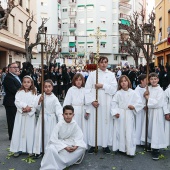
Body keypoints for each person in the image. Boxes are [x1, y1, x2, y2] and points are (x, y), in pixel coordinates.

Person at [85, 56, 117, 154]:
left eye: (105, 62)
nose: (104, 64)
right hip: (96, 103)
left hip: (106, 102)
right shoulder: (93, 75)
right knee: (94, 123)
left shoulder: (111, 75)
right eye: (102, 62)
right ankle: (93, 144)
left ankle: (105, 145)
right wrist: (92, 101)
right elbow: (87, 89)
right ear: (98, 63)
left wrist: (102, 86)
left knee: (106, 123)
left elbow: (114, 89)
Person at [40, 105, 87, 170]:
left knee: (82, 147)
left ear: (73, 115)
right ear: (63, 115)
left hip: (70, 141)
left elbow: (79, 136)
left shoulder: (74, 124)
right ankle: (55, 164)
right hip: (60, 142)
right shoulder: (59, 124)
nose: (68, 116)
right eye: (66, 114)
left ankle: (69, 161)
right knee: (51, 149)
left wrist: (76, 146)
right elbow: (53, 138)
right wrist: (64, 147)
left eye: (70, 114)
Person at [111, 75, 143, 156]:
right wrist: (115, 112)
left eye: (125, 81)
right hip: (120, 114)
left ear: (128, 82)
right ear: (120, 84)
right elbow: (113, 103)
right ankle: (120, 148)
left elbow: (139, 102)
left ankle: (129, 149)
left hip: (129, 113)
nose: (123, 83)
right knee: (120, 131)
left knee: (129, 131)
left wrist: (134, 107)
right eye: (121, 81)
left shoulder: (133, 93)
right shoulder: (118, 93)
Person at [10, 76, 39, 157]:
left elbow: (35, 102)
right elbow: (17, 101)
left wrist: (30, 108)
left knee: (29, 132)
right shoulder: (19, 92)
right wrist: (25, 107)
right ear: (22, 83)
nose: (26, 84)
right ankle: (18, 149)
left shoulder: (34, 92)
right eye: (24, 82)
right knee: (19, 131)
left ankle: (30, 149)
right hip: (21, 115)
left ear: (31, 83)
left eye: (28, 82)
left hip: (29, 115)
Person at [33, 79, 63, 158]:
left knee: (49, 134)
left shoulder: (54, 98)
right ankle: (39, 150)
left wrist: (60, 119)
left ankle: (48, 151)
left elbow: (58, 110)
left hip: (51, 119)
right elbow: (36, 107)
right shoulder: (41, 96)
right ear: (43, 88)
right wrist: (39, 101)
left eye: (49, 86)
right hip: (42, 118)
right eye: (45, 87)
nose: (47, 88)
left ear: (52, 87)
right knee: (41, 133)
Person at [141, 72, 167, 160]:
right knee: (150, 128)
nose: (153, 80)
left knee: (156, 130)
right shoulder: (149, 88)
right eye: (151, 79)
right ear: (149, 80)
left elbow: (157, 103)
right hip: (150, 112)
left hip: (157, 112)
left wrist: (148, 98)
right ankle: (150, 143)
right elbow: (145, 99)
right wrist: (145, 97)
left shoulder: (160, 90)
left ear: (158, 79)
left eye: (155, 79)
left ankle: (156, 149)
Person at [63, 73, 89, 142]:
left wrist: (87, 111)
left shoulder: (84, 90)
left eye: (80, 80)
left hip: (82, 110)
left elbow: (87, 102)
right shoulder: (71, 90)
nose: (78, 81)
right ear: (74, 81)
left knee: (82, 128)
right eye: (77, 80)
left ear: (83, 81)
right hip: (73, 111)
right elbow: (67, 102)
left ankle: (82, 143)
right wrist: (67, 113)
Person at [3, 63, 22, 140]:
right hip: (11, 102)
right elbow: (14, 90)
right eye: (14, 67)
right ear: (9, 68)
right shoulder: (8, 78)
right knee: (11, 120)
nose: (16, 68)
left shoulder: (16, 76)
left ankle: (16, 135)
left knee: (16, 119)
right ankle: (12, 136)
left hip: (16, 102)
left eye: (17, 67)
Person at [134, 74, 147, 145]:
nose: (148, 81)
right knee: (140, 125)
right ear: (142, 81)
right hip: (141, 111)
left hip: (148, 109)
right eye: (146, 80)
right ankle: (139, 140)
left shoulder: (148, 88)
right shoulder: (137, 90)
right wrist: (143, 106)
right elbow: (137, 100)